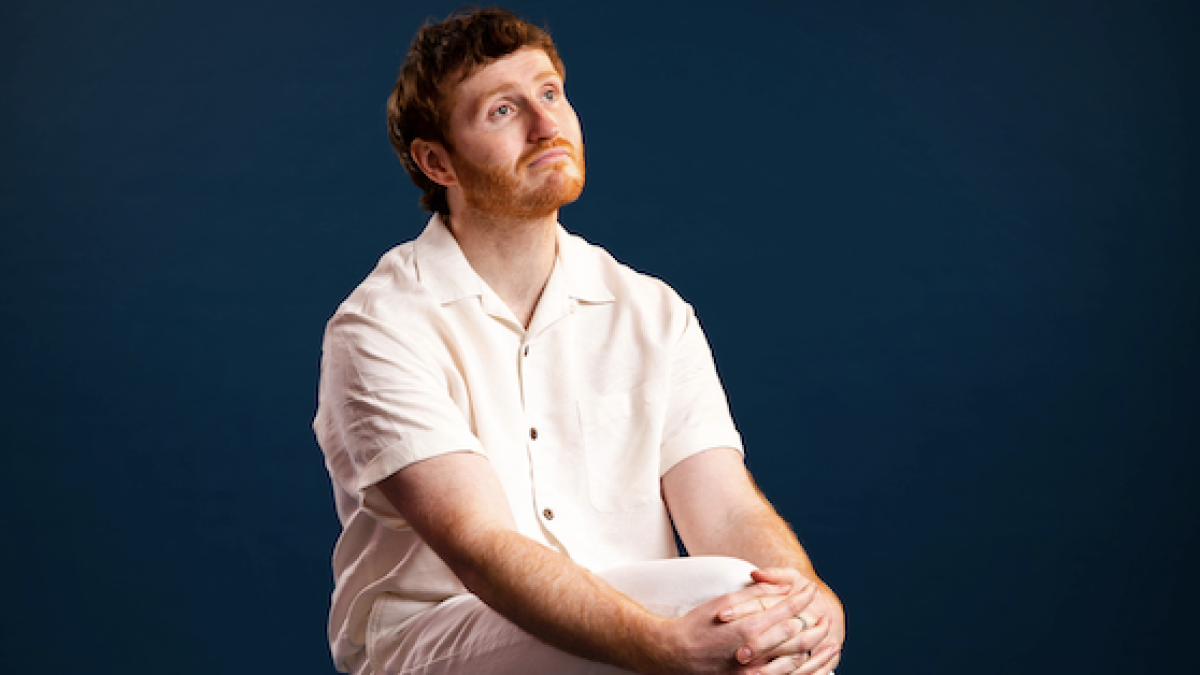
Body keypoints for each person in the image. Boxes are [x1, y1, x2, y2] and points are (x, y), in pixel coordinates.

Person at [313, 8, 845, 675]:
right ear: (436, 161)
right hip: (439, 638)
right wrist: (660, 644)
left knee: (767, 607)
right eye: (502, 111)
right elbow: (480, 545)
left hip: (643, 621)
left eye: (549, 93)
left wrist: (803, 594)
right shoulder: (381, 325)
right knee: (726, 600)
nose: (545, 126)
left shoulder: (653, 312)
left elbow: (726, 503)